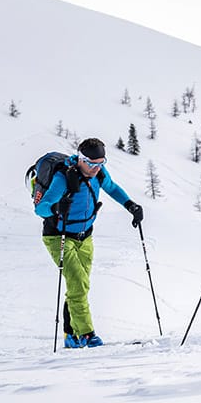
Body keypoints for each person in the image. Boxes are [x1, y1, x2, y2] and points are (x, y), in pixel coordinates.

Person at [35, 138, 143, 348]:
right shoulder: (63, 178)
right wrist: (57, 209)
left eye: (101, 163)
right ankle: (87, 334)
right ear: (81, 159)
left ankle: (70, 335)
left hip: (86, 236)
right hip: (59, 236)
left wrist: (131, 205)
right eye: (91, 163)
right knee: (78, 284)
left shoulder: (99, 174)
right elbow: (41, 208)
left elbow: (111, 187)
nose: (95, 168)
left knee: (79, 286)